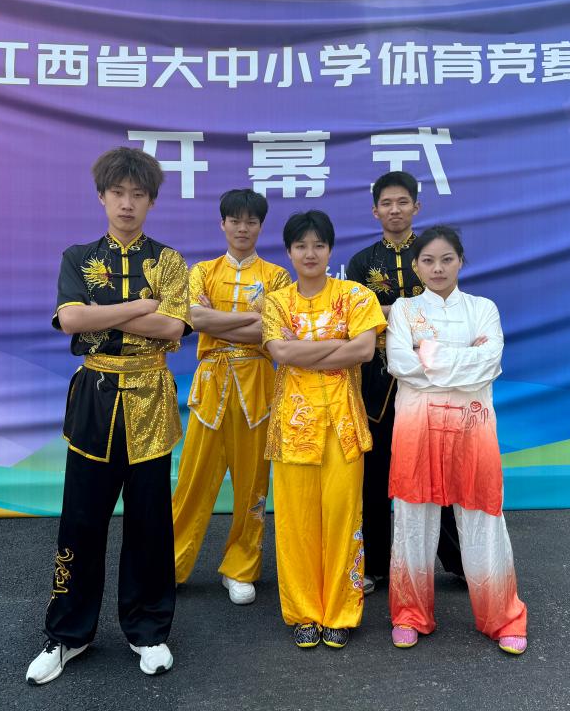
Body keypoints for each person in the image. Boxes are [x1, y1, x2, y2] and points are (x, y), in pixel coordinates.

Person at [26, 147, 192, 684]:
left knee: (149, 523)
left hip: (151, 401)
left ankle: (148, 630)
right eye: (117, 193)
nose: (127, 204)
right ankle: (68, 634)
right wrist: (141, 306)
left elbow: (173, 328)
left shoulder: (169, 261)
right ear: (101, 196)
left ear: (151, 202)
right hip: (95, 400)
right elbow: (71, 319)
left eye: (137, 195)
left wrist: (105, 316)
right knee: (81, 521)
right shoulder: (78, 257)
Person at [385, 225, 527, 655]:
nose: (438, 268)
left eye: (447, 259)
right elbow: (400, 365)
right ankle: (409, 613)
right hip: (416, 428)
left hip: (473, 427)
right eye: (428, 260)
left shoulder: (483, 309)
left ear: (460, 261)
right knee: (412, 519)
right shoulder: (404, 310)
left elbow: (490, 363)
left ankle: (502, 616)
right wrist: (462, 358)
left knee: (484, 515)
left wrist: (428, 352)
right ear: (416, 266)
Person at [262, 210, 386, 649]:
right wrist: (338, 346)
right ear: (289, 251)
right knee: (295, 522)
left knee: (342, 516)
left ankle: (341, 611)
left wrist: (303, 350)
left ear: (330, 250)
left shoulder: (355, 295)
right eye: (301, 246)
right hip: (293, 425)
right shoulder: (276, 301)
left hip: (342, 424)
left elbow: (365, 350)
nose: (310, 253)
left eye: (318, 245)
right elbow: (279, 352)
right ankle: (303, 612)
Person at [345, 171, 464, 595]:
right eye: (387, 203)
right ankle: (374, 565)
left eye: (402, 202)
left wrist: (386, 312)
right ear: (375, 210)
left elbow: (446, 308)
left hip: (429, 380)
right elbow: (355, 317)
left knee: (436, 473)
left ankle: (458, 561)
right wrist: (409, 312)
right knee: (374, 477)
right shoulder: (362, 262)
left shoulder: (431, 253)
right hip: (375, 384)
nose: (395, 210)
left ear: (417, 206)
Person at [171, 189, 291, 604]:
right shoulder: (202, 271)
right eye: (235, 220)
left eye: (251, 221)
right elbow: (191, 317)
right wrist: (246, 320)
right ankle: (171, 563)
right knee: (191, 480)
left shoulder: (277, 277)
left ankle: (241, 567)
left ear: (260, 226)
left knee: (252, 484)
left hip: (257, 388)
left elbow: (271, 329)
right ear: (222, 223)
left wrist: (216, 320)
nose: (243, 228)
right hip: (210, 387)